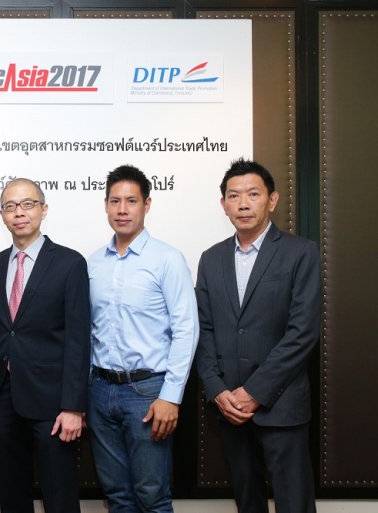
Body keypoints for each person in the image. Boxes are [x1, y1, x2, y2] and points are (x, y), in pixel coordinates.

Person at [194, 159, 320, 513]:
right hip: (229, 409)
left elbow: (302, 333)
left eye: (253, 194)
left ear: (272, 200)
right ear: (224, 205)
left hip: (281, 406)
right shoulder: (211, 259)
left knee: (294, 504)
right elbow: (203, 330)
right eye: (234, 196)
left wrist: (254, 392)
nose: (243, 204)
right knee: (247, 503)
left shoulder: (300, 252)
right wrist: (218, 391)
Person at [86, 165, 199, 513]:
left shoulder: (167, 259)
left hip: (148, 393)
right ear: (105, 205)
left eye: (131, 201)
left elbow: (186, 330)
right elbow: (87, 330)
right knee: (117, 496)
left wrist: (171, 397)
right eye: (115, 201)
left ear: (147, 204)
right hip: (100, 390)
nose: (122, 210)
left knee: (152, 495)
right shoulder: (93, 263)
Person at [0, 178, 90, 513]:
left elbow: (79, 338)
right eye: (10, 206)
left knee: (59, 493)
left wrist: (73, 406)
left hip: (53, 403)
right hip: (3, 396)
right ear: (2, 215)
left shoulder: (70, 263)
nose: (19, 213)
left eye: (27, 204)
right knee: (12, 492)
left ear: (44, 210)